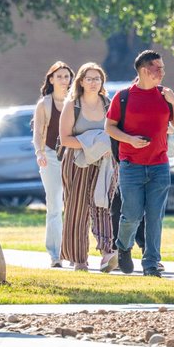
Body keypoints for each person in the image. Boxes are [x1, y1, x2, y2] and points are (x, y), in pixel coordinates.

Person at [106, 50, 174, 277]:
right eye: (157, 68)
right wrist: (129, 139)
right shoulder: (123, 97)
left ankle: (151, 263)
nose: (162, 72)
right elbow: (109, 127)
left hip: (160, 165)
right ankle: (123, 247)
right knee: (130, 214)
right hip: (131, 165)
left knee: (154, 216)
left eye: (163, 68)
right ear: (143, 70)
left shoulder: (165, 96)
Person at [57, 62, 118, 271]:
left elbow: (116, 133)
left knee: (103, 205)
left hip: (105, 162)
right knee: (77, 209)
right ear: (81, 81)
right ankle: (79, 258)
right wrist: (92, 143)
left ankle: (107, 253)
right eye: (89, 79)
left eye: (97, 79)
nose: (93, 83)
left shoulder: (109, 104)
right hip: (76, 162)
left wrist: (104, 147)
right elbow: (65, 139)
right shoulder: (72, 105)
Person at [32, 61, 73, 267]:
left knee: (75, 205)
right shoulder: (44, 104)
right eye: (59, 76)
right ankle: (55, 254)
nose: (64, 80)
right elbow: (38, 132)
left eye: (66, 76)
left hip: (74, 156)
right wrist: (39, 153)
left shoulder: (76, 101)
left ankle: (74, 252)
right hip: (50, 156)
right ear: (51, 79)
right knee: (55, 205)